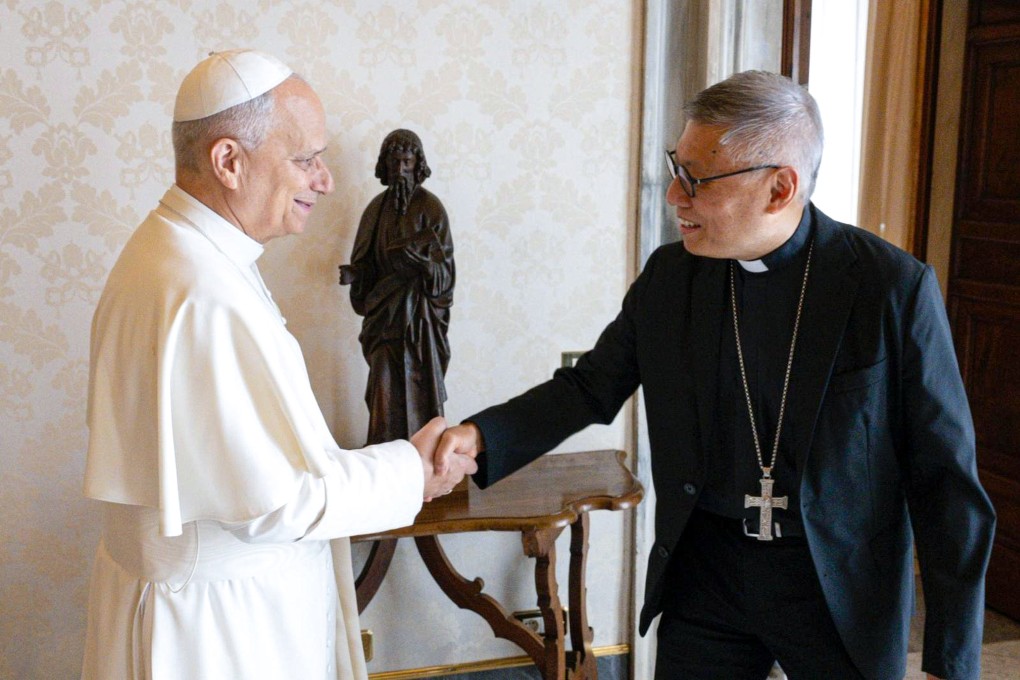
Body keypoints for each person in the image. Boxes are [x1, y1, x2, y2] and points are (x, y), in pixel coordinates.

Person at [437, 70, 995, 680]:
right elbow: (589, 387)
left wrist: (952, 659)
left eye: (695, 180)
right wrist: (480, 436)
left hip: (839, 584)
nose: (674, 197)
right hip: (706, 573)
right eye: (677, 168)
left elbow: (946, 483)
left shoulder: (890, 288)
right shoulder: (673, 276)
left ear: (780, 188)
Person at [81, 49, 475, 680]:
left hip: (211, 607)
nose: (324, 180)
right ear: (228, 161)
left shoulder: (180, 253)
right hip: (221, 636)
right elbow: (279, 501)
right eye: (305, 158)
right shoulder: (201, 290)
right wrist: (413, 469)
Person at [339, 129, 454, 445]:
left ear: (417, 165)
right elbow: (365, 261)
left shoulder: (431, 209)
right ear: (384, 167)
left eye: (406, 162)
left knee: (421, 389)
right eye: (394, 163)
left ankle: (426, 455)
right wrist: (355, 274)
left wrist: (422, 265)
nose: (400, 170)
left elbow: (445, 272)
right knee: (384, 392)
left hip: (419, 322)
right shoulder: (375, 210)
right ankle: (385, 458)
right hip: (384, 317)